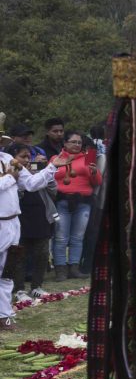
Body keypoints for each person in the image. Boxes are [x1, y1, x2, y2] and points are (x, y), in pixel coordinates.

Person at [0, 146, 65, 329]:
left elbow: (31, 184)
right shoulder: (10, 165)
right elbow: (7, 181)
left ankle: (4, 316)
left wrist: (52, 167)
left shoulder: (6, 157)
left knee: (7, 271)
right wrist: (9, 178)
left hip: (13, 222)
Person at [6, 144, 55, 302]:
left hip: (40, 215)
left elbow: (54, 188)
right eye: (23, 156)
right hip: (18, 217)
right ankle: (19, 289)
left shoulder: (36, 170)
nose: (27, 160)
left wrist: (42, 171)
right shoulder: (9, 171)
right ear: (12, 157)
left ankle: (37, 287)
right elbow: (21, 189)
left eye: (29, 157)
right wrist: (21, 176)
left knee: (42, 253)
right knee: (18, 255)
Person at [51, 130, 101, 279]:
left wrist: (93, 172)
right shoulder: (56, 158)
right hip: (62, 201)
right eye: (73, 142)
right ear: (65, 143)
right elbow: (47, 177)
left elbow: (98, 182)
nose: (77, 145)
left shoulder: (88, 158)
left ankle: (74, 267)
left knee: (77, 237)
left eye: (79, 142)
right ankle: (60, 268)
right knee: (60, 237)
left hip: (83, 202)